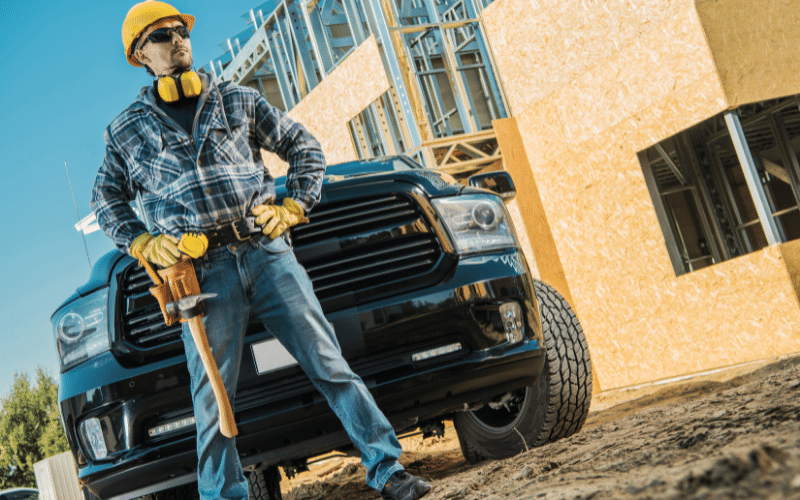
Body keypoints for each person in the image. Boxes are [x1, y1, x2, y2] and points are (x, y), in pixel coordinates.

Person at [91, 2, 432, 499]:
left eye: (181, 31)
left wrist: (295, 206)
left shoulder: (238, 99)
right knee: (212, 399)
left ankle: (387, 468)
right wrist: (141, 240)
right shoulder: (124, 131)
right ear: (140, 55)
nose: (178, 40)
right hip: (201, 279)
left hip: (266, 254)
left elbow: (304, 147)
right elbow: (106, 198)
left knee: (329, 363)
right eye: (163, 36)